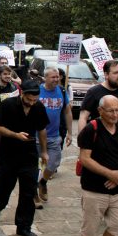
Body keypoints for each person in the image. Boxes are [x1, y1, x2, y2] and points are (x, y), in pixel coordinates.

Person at [0, 80, 49, 236]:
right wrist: (15, 135)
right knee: (4, 189)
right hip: (8, 154)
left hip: (29, 155)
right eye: (29, 99)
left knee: (28, 192)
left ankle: (23, 226)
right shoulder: (8, 104)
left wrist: (44, 151)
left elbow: (42, 130)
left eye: (34, 100)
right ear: (22, 93)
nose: (31, 103)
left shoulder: (39, 107)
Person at [77, 95, 118, 236]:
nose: (115, 114)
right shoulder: (92, 129)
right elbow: (85, 158)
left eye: (117, 110)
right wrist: (109, 174)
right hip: (94, 189)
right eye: (110, 111)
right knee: (90, 228)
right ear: (100, 111)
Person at [35, 66, 72, 208]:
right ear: (45, 78)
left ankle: (42, 182)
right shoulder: (38, 90)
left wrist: (69, 132)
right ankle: (33, 194)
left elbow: (67, 112)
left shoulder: (62, 91)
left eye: (58, 77)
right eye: (53, 77)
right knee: (33, 167)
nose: (57, 79)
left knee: (53, 164)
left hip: (54, 136)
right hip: (36, 136)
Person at [79, 60, 118, 133]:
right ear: (106, 75)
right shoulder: (93, 92)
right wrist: (82, 140)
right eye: (116, 73)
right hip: (101, 140)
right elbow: (83, 117)